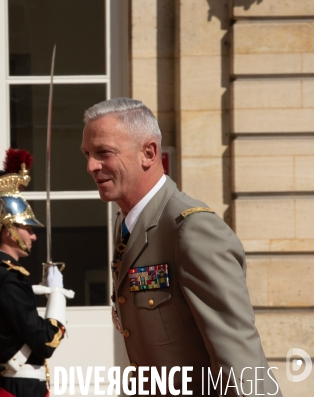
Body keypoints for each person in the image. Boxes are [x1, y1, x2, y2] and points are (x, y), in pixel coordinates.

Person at [80, 98, 281, 396]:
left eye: (103, 153)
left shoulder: (192, 228)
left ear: (148, 153)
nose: (91, 166)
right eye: (87, 154)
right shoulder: (126, 224)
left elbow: (238, 355)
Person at [0, 149, 74, 397]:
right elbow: (45, 343)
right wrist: (57, 296)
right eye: (27, 228)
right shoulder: (9, 278)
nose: (33, 236)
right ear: (8, 230)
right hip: (18, 388)